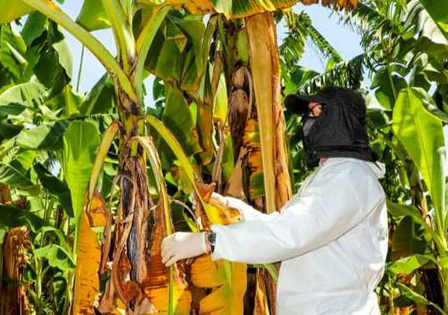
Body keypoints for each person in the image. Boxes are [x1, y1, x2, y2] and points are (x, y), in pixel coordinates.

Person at [161, 86, 388, 315]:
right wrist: (232, 208)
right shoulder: (334, 175)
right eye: (308, 113)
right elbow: (282, 227)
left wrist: (208, 241)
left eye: (318, 112)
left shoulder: (349, 176)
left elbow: (292, 233)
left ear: (341, 119)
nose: (309, 121)